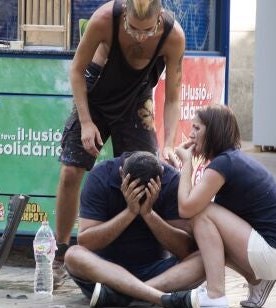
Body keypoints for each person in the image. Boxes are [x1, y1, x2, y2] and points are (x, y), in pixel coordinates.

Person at [54, 0, 185, 286]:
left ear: (160, 19)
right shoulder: (104, 19)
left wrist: (169, 143)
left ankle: (141, 254)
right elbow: (76, 71)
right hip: (96, 97)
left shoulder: (173, 36)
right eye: (133, 29)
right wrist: (87, 123)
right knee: (70, 172)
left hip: (137, 101)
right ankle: (60, 253)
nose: (139, 37)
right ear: (124, 14)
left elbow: (174, 97)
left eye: (147, 31)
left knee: (145, 174)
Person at [175, 105, 276, 308]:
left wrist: (186, 163)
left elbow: (186, 208)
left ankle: (215, 294)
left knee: (201, 213)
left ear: (213, 131)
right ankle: (257, 281)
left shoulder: (223, 165)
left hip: (275, 252)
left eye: (197, 128)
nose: (191, 134)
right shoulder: (231, 160)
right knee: (205, 231)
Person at [63, 151, 204, 308]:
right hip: (105, 273)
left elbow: (185, 250)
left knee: (207, 258)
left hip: (157, 274)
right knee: (73, 255)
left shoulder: (171, 180)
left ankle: (124, 296)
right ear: (121, 173)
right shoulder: (101, 176)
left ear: (161, 176)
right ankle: (159, 298)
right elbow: (86, 242)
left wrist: (148, 214)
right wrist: (130, 212)